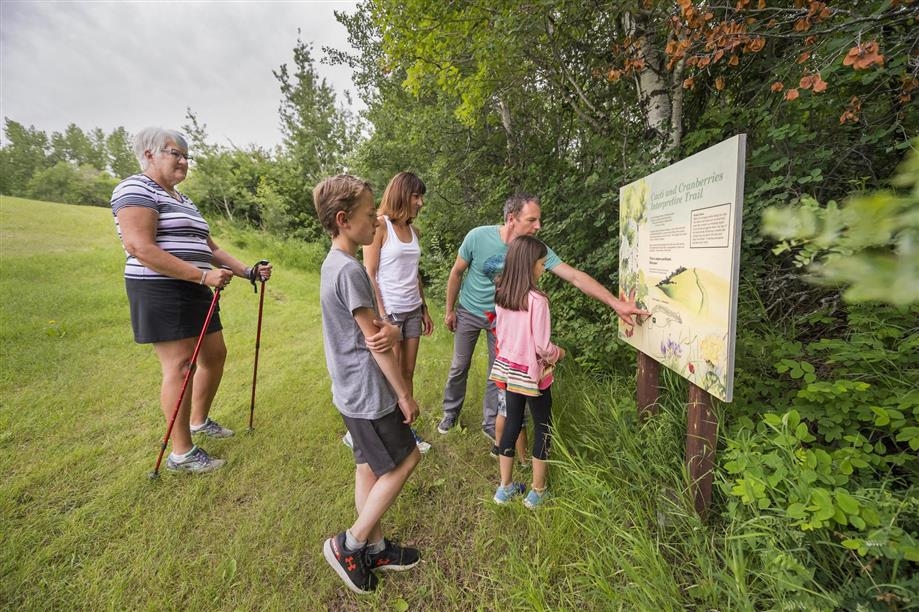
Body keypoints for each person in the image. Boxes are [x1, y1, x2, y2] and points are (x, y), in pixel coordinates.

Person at [111, 127, 272, 473]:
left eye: (186, 155)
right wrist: (202, 275)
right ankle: (181, 453)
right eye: (175, 153)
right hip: (161, 288)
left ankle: (198, 420)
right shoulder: (134, 188)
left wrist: (247, 272)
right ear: (150, 154)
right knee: (181, 366)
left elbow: (209, 248)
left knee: (215, 355)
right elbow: (139, 247)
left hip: (196, 287)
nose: (184, 160)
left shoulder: (183, 199)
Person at [437, 193, 647, 442]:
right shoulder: (477, 236)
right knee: (459, 365)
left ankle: (492, 423)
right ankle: (450, 413)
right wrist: (450, 310)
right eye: (532, 220)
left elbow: (574, 276)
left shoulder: (535, 250)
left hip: (503, 318)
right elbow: (456, 273)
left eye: (539, 220)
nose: (539, 226)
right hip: (470, 310)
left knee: (499, 371)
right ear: (511, 218)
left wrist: (616, 303)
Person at [315, 174, 422, 595]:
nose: (376, 222)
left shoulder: (332, 264)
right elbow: (376, 342)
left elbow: (371, 330)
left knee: (367, 465)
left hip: (347, 390)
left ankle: (375, 548)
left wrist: (390, 328)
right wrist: (404, 394)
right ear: (343, 220)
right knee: (406, 459)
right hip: (368, 392)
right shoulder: (351, 271)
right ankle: (350, 544)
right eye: (367, 215)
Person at [349, 171, 434, 454]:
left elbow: (415, 274)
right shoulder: (380, 226)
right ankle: (366, 429)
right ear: (401, 194)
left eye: (421, 197)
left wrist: (424, 308)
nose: (420, 202)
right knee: (390, 374)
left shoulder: (412, 230)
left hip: (412, 310)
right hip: (391, 313)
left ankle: (404, 427)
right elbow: (370, 274)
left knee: (407, 371)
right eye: (416, 196)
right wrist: (383, 316)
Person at [489, 236, 563, 508]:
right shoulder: (538, 300)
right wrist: (559, 353)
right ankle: (538, 490)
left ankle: (504, 487)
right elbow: (543, 347)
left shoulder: (502, 294)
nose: (544, 269)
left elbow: (502, 334)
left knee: (512, 422)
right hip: (533, 374)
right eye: (542, 263)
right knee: (543, 426)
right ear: (530, 265)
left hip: (508, 370)